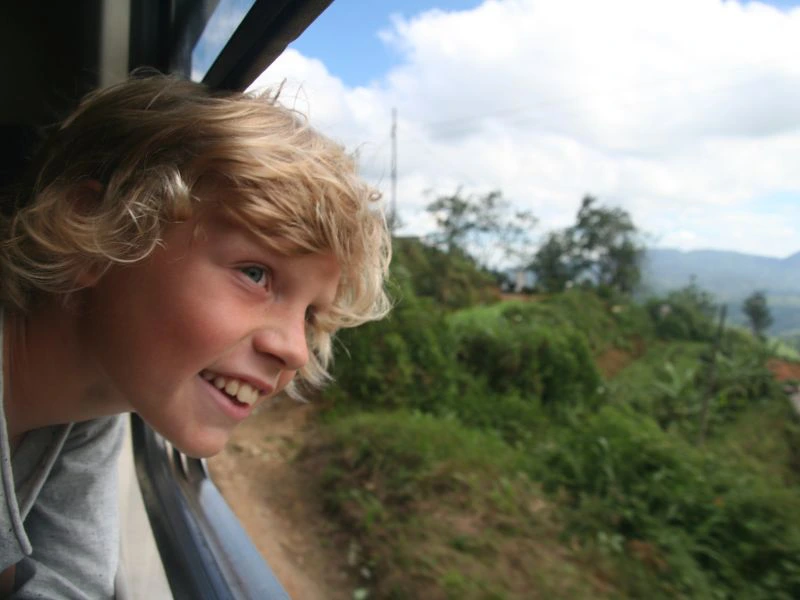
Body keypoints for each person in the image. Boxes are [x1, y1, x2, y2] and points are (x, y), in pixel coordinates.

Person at [0, 74, 392, 598]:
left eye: (311, 317)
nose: (295, 350)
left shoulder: (88, 411)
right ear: (95, 227)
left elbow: (68, 580)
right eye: (255, 274)